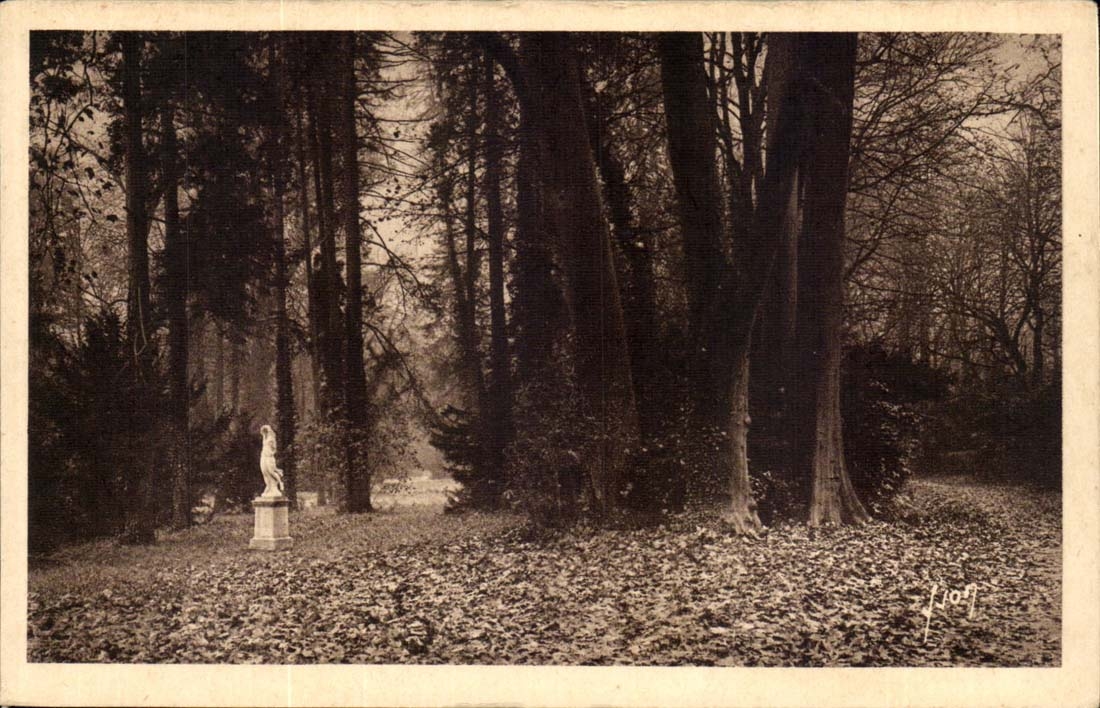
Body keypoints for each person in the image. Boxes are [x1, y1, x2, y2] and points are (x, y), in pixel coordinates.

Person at [259, 424, 285, 497]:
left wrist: (271, 453)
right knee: (264, 472)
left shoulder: (271, 439)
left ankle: (280, 483)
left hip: (269, 457)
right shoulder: (265, 438)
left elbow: (274, 449)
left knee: (271, 471)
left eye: (266, 431)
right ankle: (268, 486)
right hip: (264, 456)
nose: (265, 432)